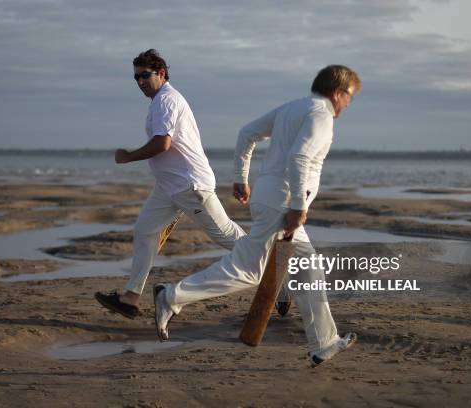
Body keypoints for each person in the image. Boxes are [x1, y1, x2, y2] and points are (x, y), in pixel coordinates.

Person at [153, 65, 362, 367]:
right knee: (249, 271)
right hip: (283, 203)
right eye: (349, 97)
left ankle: (323, 343)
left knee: (309, 267)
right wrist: (298, 208)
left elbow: (247, 133)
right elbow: (300, 157)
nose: (348, 104)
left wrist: (241, 176)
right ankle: (171, 296)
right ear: (337, 92)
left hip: (268, 197)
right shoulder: (322, 115)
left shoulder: (293, 108)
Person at [95, 49, 245, 318]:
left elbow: (162, 144)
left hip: (190, 185)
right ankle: (130, 298)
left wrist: (128, 157)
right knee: (145, 230)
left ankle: (276, 268)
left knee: (227, 236)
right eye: (136, 78)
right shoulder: (159, 101)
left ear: (161, 74)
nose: (140, 81)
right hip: (168, 187)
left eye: (144, 75)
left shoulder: (167, 100)